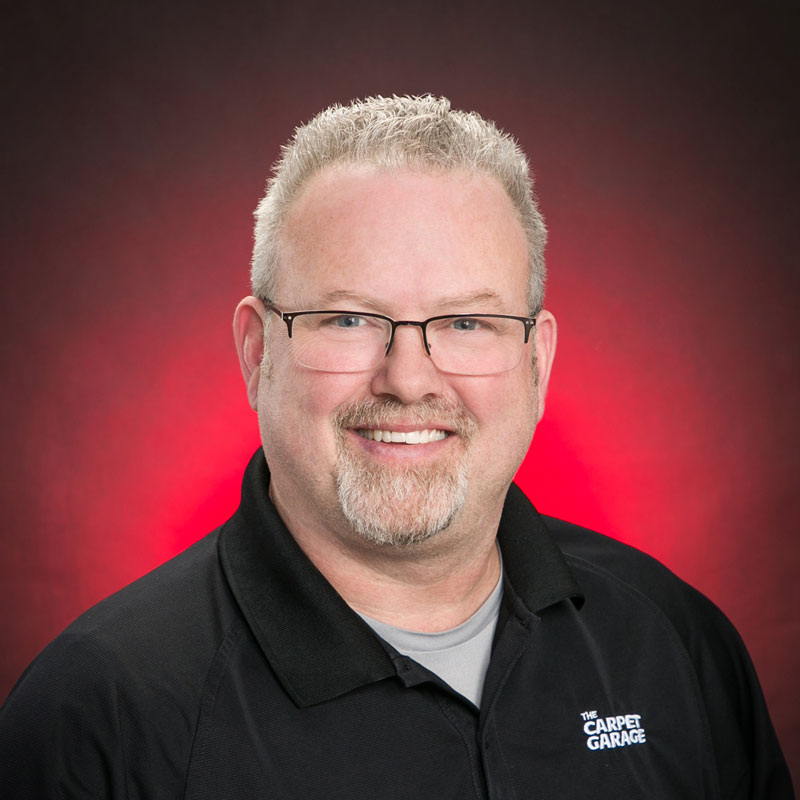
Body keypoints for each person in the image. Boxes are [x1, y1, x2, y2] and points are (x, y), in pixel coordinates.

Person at [0, 95, 792, 798]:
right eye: (348, 319)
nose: (408, 380)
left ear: (538, 363)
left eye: (467, 322)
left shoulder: (674, 644)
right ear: (256, 352)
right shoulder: (97, 718)